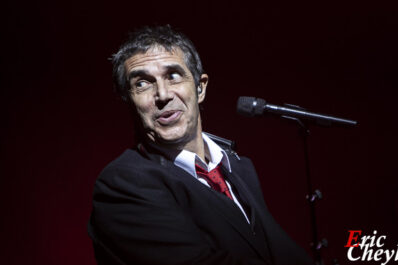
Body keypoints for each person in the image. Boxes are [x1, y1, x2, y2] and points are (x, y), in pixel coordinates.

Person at [88, 25, 313, 265]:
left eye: (173, 76)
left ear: (200, 87)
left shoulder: (239, 167)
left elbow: (275, 249)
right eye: (142, 83)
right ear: (128, 100)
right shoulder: (122, 183)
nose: (163, 94)